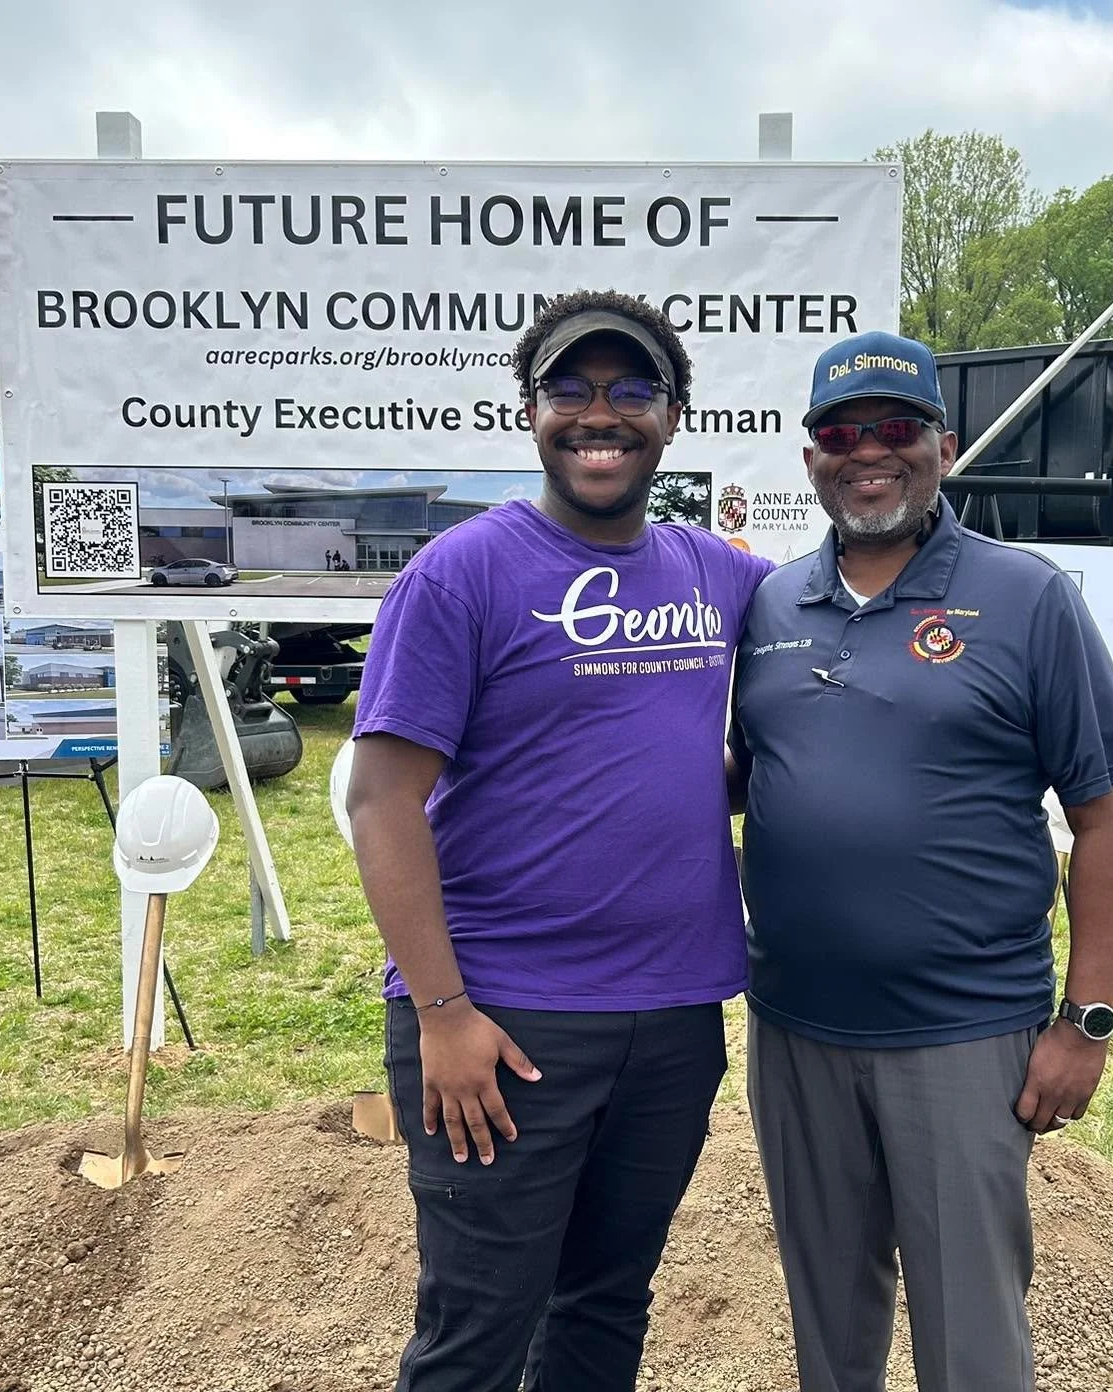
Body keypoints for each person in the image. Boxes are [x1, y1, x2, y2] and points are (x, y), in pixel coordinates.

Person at [346, 289, 773, 1392]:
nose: (600, 414)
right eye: (569, 389)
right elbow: (381, 800)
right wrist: (443, 1014)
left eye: (632, 390)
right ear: (529, 411)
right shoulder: (462, 573)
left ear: (672, 416)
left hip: (674, 1019)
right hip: (503, 1022)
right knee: (477, 1335)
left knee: (603, 1306)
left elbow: (841, 632)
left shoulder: (717, 574)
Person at [727, 331, 1113, 1392]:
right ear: (810, 457)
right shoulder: (770, 604)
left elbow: (1106, 814)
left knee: (970, 1340)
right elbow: (747, 772)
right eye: (839, 434)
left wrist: (1085, 1021)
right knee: (828, 1326)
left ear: (943, 448)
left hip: (963, 1032)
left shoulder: (1026, 597)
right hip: (795, 1028)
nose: (868, 451)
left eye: (895, 427)